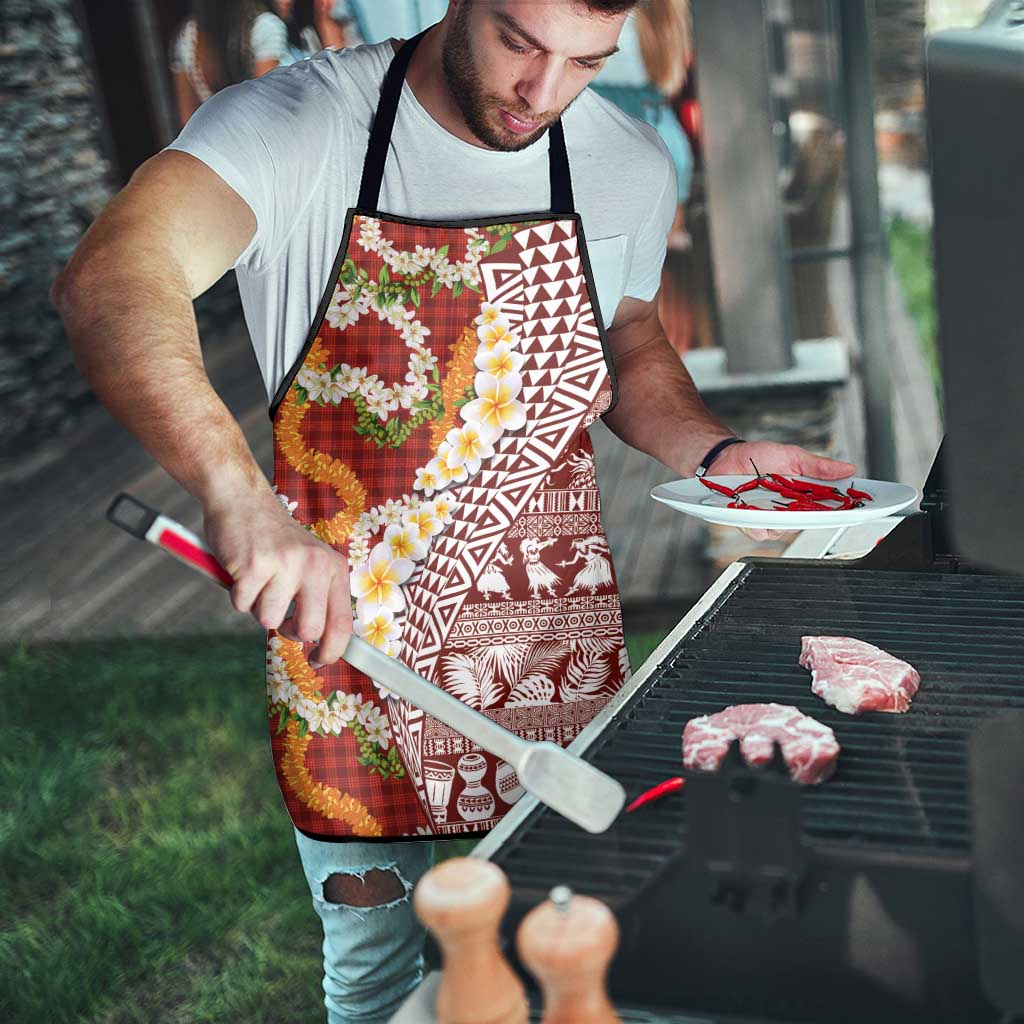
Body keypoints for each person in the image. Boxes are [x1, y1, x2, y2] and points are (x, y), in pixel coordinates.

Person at [52, 2, 855, 1020]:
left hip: (550, 643)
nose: (543, 93)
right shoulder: (298, 125)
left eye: (585, 62)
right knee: (382, 978)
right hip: (349, 655)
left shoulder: (625, 159)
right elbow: (113, 275)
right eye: (520, 42)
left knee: (582, 951)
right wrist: (236, 495)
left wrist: (717, 449)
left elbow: (629, 337)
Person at [169, 0, 288, 126]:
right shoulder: (265, 27)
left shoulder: (188, 37)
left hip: (215, 139)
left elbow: (187, 121)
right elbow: (267, 108)